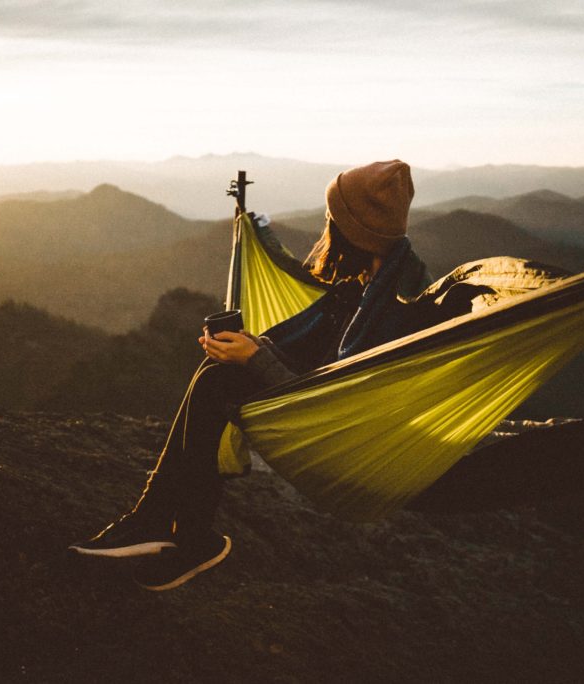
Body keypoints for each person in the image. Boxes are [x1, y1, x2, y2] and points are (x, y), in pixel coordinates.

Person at [68, 160, 431, 591]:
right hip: (325, 406)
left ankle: (178, 529)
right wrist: (247, 349)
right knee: (217, 370)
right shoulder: (366, 284)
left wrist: (255, 359)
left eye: (334, 218)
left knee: (218, 381)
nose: (327, 226)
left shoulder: (393, 305)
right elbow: (316, 364)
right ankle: (162, 521)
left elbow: (337, 396)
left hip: (348, 432)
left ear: (356, 231)